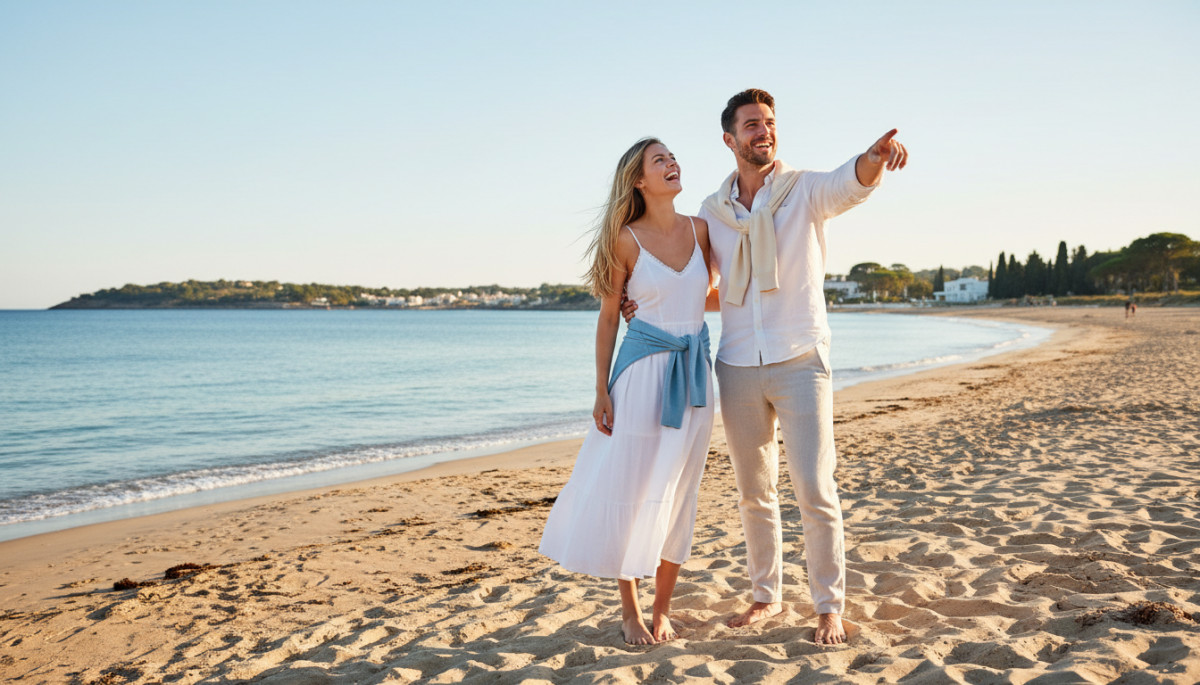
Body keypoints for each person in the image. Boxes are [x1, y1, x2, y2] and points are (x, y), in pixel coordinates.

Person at [622, 89, 908, 645]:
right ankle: (765, 596)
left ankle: (828, 605)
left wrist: (873, 158)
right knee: (755, 492)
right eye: (751, 124)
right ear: (730, 139)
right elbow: (700, 286)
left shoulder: (803, 190)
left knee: (813, 487)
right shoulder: (712, 211)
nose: (764, 131)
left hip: (800, 358)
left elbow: (849, 184)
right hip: (737, 364)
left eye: (769, 122)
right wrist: (640, 302)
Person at [539, 137, 716, 646]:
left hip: (696, 379)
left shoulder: (701, 230)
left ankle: (663, 608)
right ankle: (631, 611)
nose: (672, 163)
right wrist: (600, 389)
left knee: (679, 493)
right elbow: (609, 317)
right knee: (631, 490)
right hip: (640, 378)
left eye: (673, 157)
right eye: (659, 160)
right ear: (638, 180)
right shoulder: (625, 240)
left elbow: (716, 293)